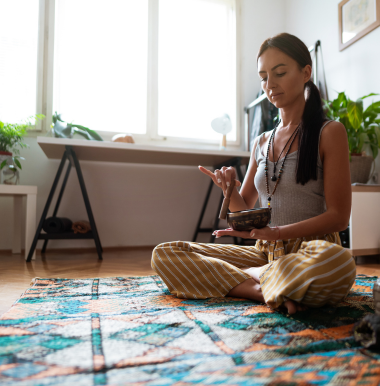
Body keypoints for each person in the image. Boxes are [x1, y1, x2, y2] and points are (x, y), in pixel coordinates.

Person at [151, 33, 356, 314]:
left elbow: (339, 217)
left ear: (306, 72)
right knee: (166, 254)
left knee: (340, 262)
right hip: (264, 253)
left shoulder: (329, 132)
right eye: (263, 77)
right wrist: (230, 190)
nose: (269, 85)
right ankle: (260, 288)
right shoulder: (261, 142)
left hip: (311, 253)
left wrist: (278, 232)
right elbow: (244, 211)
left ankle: (259, 276)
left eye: (280, 73)